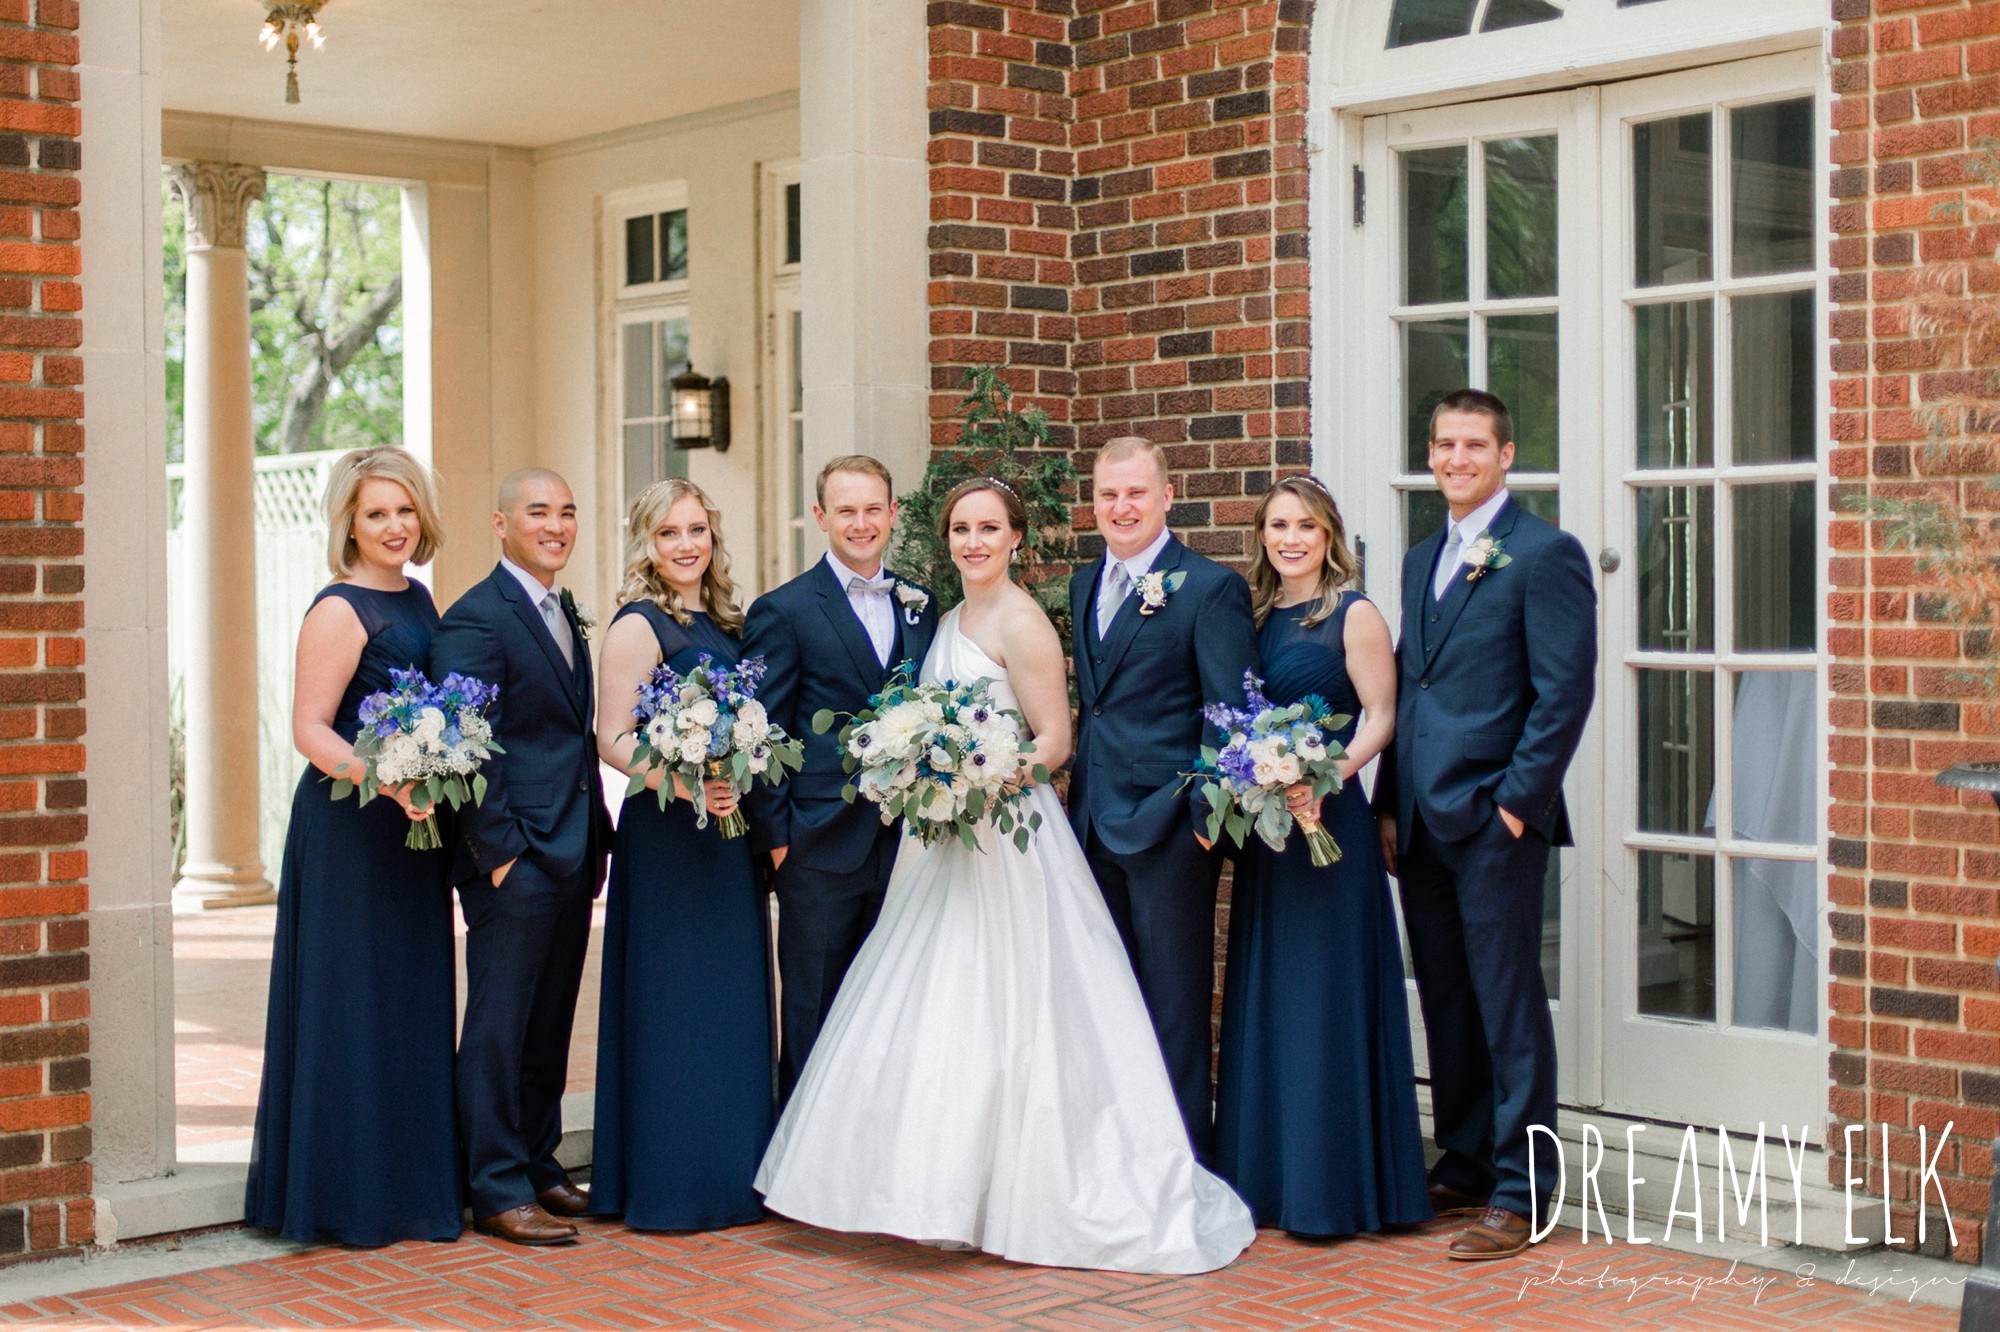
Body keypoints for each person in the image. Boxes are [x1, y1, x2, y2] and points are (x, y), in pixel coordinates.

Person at [755, 478, 1255, 1274]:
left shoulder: (1024, 622)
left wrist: (981, 782)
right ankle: (925, 1189)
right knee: (934, 1001)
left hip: (1009, 839)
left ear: (1016, 538)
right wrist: (924, 773)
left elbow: (1054, 739)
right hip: (941, 843)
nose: (973, 542)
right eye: (960, 529)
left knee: (1013, 1006)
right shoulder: (944, 620)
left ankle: (1015, 1191)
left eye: (989, 528)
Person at [1373, 389, 1596, 1261]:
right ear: (1430, 456)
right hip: (1424, 818)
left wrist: (1516, 805)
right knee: (1450, 999)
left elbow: (1562, 694)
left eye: (1475, 445)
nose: (1457, 459)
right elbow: (1410, 686)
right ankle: (1466, 1159)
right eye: (1443, 445)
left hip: (1495, 818)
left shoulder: (1547, 555)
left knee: (1507, 1004)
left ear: (1507, 455)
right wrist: (1391, 802)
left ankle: (1524, 1188)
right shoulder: (1422, 555)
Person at [245, 446, 461, 1246]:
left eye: (405, 510)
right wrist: (389, 781)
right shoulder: (339, 608)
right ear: (349, 523)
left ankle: (406, 1182)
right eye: (376, 514)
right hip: (351, 823)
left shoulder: (422, 598)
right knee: (351, 1000)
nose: (394, 526)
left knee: (406, 997)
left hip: (413, 832)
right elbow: (310, 727)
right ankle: (346, 1195)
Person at [1213, 475, 1432, 1239]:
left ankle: (1335, 1188)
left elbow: (1381, 713)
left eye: (1305, 524)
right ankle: (1271, 1179)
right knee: (1276, 993)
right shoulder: (1259, 615)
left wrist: (1331, 771)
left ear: (1329, 533)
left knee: (1326, 997)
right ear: (1264, 536)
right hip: (1273, 833)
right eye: (1277, 525)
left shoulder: (1354, 612)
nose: (1291, 538)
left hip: (1328, 823)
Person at [431, 468, 613, 1247]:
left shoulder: (559, 608)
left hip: (573, 846)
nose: (557, 525)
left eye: (567, 512)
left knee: (546, 1023)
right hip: (518, 855)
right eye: (539, 512)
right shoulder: (477, 617)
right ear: (500, 523)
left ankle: (538, 1163)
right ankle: (495, 1186)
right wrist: (500, 854)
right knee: (501, 1026)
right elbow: (463, 745)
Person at [588, 478, 773, 1231]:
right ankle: (671, 1183)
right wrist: (691, 782)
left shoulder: (727, 621)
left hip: (726, 842)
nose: (686, 544)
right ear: (647, 543)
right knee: (674, 1005)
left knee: (728, 1003)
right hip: (668, 835)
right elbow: (612, 738)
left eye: (696, 529)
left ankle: (731, 1173)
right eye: (669, 533)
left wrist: (734, 775)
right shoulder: (638, 625)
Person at [1066, 436, 1257, 1161]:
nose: (1121, 507)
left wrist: (1206, 821)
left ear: (1167, 496)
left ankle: (1185, 1163)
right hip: (1093, 821)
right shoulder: (1086, 584)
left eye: (1136, 493)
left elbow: (1230, 714)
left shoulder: (1210, 588)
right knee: (1109, 999)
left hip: (1172, 831)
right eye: (1108, 494)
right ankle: (1126, 1154)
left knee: (1176, 1002)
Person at [740, 455, 937, 1099]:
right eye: (845, 511)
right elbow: (762, 731)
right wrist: (779, 841)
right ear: (822, 517)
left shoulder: (921, 605)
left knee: (893, 1005)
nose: (861, 523)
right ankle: (802, 1164)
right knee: (815, 1004)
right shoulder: (784, 610)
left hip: (907, 846)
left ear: (893, 514)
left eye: (872, 509)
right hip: (819, 845)